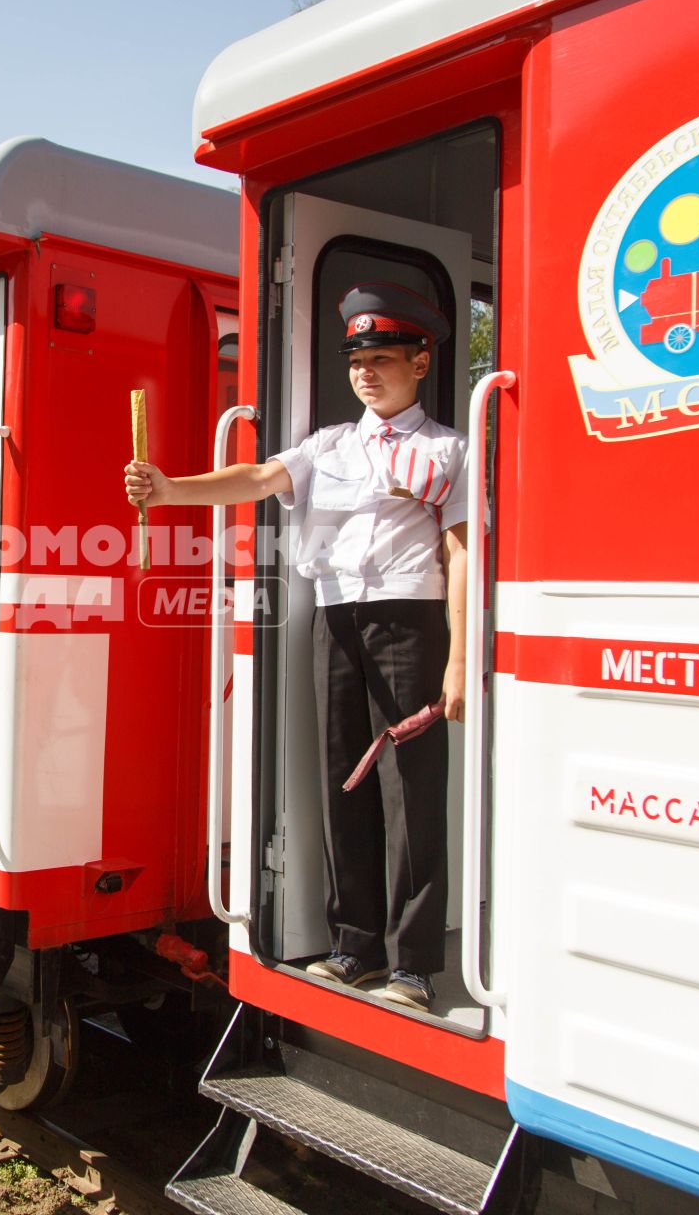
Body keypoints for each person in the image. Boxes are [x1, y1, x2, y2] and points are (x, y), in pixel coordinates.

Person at [124, 283, 468, 1013]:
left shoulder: (449, 448)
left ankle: (413, 964)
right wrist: (168, 487)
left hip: (412, 617)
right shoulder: (329, 446)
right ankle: (355, 946)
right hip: (336, 617)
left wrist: (460, 657)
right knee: (342, 778)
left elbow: (462, 551)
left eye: (381, 358)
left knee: (412, 789)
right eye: (357, 362)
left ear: (419, 360)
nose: (367, 372)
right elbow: (253, 477)